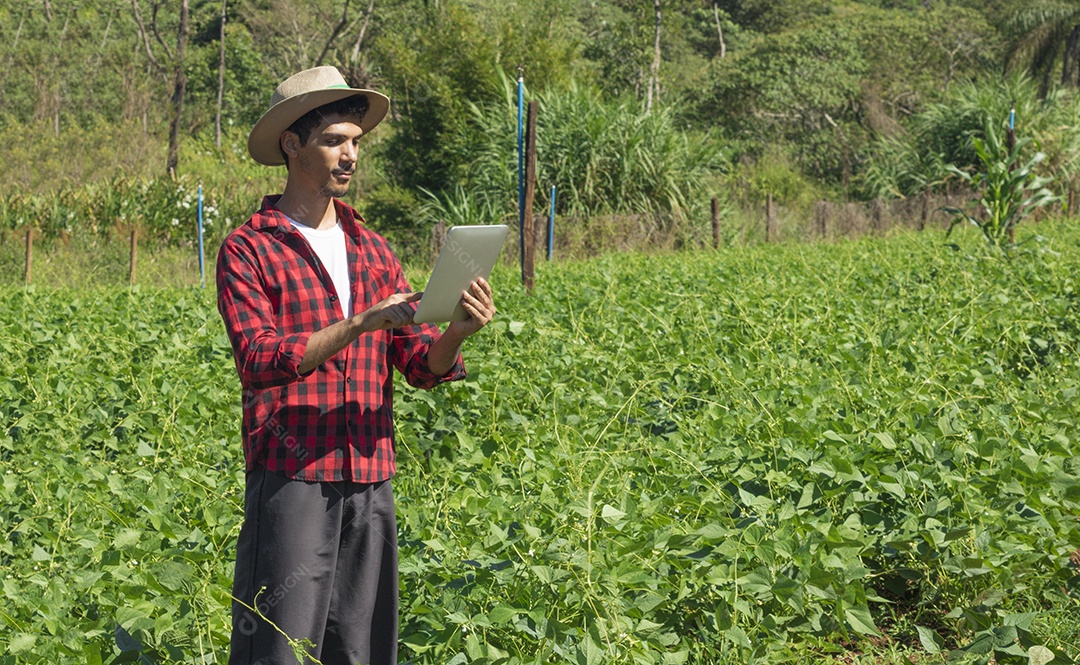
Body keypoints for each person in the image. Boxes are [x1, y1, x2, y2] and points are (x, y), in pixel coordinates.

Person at [216, 65, 495, 665]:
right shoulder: (251, 247)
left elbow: (420, 364)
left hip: (371, 473)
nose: (350, 155)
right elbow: (260, 358)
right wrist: (361, 323)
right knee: (278, 647)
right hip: (293, 473)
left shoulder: (373, 249)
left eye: (355, 142)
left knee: (361, 648)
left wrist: (455, 332)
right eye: (334, 140)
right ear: (292, 144)